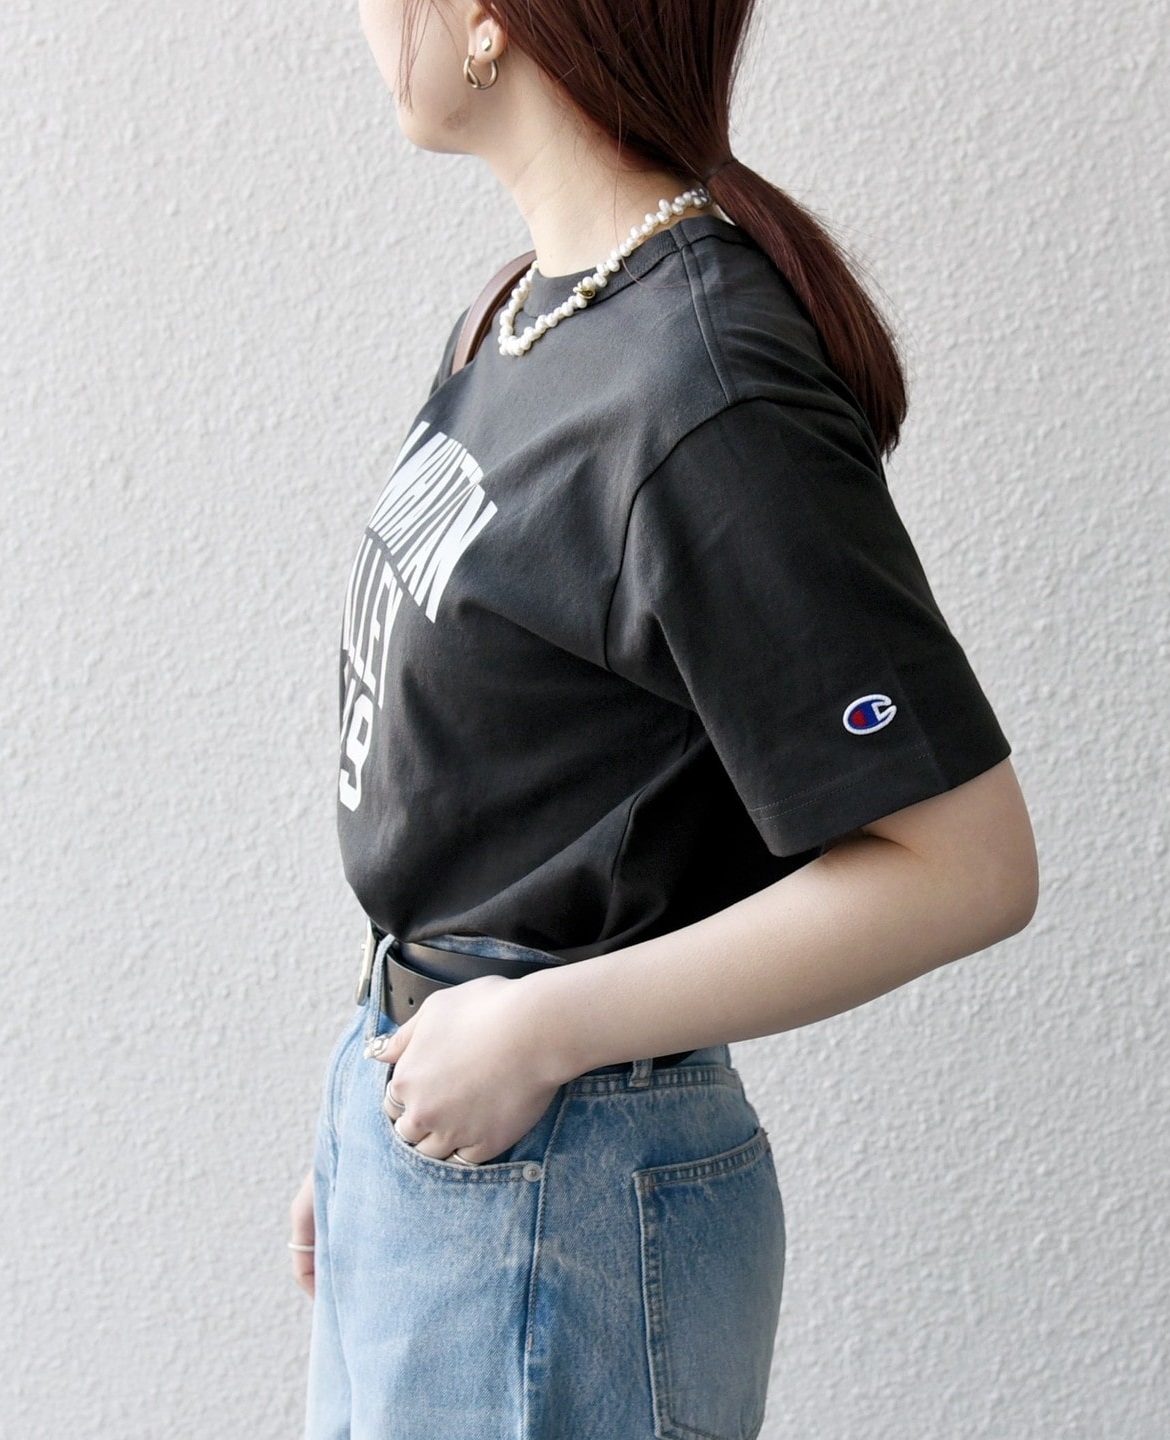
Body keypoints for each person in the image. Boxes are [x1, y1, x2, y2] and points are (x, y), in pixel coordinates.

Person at [290, 0, 1039, 1435]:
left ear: (491, 20)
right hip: (446, 1156)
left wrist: (533, 1035)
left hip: (556, 1187)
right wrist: (367, 1117)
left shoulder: (702, 384)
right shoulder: (524, 312)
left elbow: (970, 865)